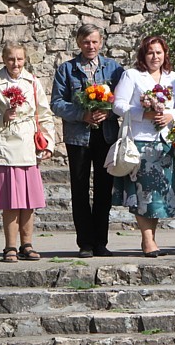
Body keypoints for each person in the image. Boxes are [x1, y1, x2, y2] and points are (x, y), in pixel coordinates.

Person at [51, 24, 124, 258]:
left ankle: (101, 242)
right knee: (79, 188)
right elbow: (57, 103)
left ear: (101, 42)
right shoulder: (67, 69)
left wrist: (109, 112)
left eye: (94, 42)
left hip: (106, 135)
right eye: (85, 42)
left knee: (104, 189)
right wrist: (81, 114)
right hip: (78, 137)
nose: (90, 46)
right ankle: (85, 243)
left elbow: (124, 100)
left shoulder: (114, 69)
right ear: (78, 43)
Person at [0, 42, 56, 262]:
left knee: (28, 200)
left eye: (20, 59)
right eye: (11, 59)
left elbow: (45, 113)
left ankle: (27, 243)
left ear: (25, 60)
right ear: (4, 59)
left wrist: (49, 142)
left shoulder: (32, 82)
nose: (16, 63)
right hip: (4, 145)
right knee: (10, 200)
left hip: (28, 144)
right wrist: (2, 117)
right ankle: (10, 246)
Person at [112, 35, 175, 257]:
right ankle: (147, 240)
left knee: (158, 196)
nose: (155, 57)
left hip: (164, 143)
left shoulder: (174, 78)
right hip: (141, 141)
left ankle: (152, 238)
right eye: (151, 52)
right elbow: (118, 105)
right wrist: (144, 113)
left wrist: (170, 116)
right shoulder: (132, 76)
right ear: (144, 54)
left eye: (159, 52)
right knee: (144, 194)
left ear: (165, 54)